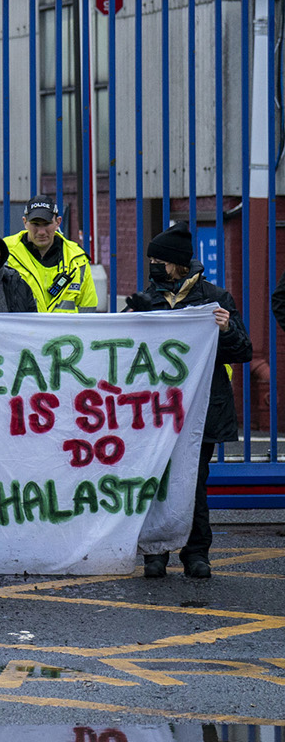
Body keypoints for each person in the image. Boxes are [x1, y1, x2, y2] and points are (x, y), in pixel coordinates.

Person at [125, 224, 250, 580]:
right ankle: (156, 552)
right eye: (151, 259)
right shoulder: (146, 299)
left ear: (179, 264)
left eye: (159, 260)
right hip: (156, 410)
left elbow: (243, 351)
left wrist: (227, 329)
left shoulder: (215, 298)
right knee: (157, 480)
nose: (153, 265)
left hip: (202, 408)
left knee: (192, 482)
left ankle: (196, 553)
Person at [4, 200, 99, 314]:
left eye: (46, 223)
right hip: (22, 331)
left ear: (58, 222)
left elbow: (88, 309)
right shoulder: (6, 252)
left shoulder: (77, 258)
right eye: (35, 224)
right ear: (25, 222)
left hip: (65, 332)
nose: (41, 232)